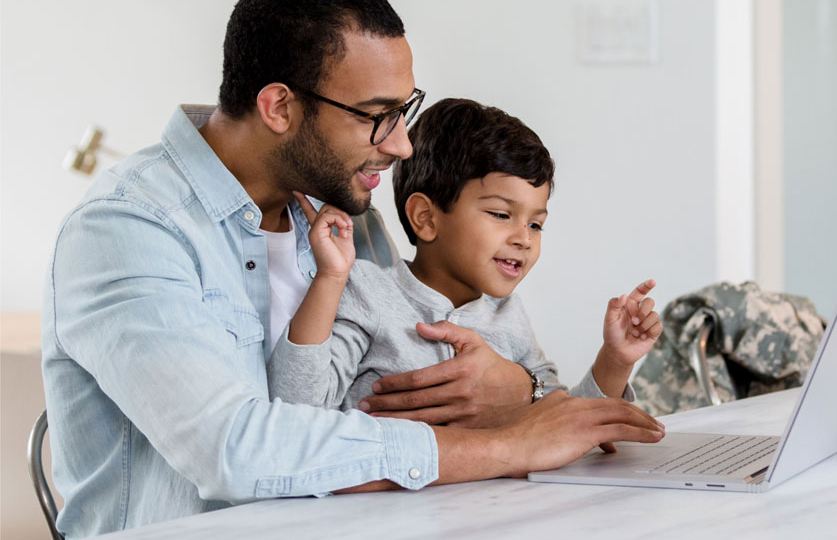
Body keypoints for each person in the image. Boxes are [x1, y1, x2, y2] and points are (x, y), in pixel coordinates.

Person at [41, 0, 663, 538]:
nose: (400, 147)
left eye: (405, 111)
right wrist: (514, 446)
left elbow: (402, 370)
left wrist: (522, 392)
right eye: (377, 116)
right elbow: (234, 450)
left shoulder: (340, 214)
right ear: (279, 106)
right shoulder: (128, 230)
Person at [266, 97, 664, 414]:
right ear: (425, 217)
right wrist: (331, 279)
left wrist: (614, 361)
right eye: (501, 215)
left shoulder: (508, 316)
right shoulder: (368, 292)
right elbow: (296, 407)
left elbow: (563, 419)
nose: (524, 239)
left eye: (536, 224)